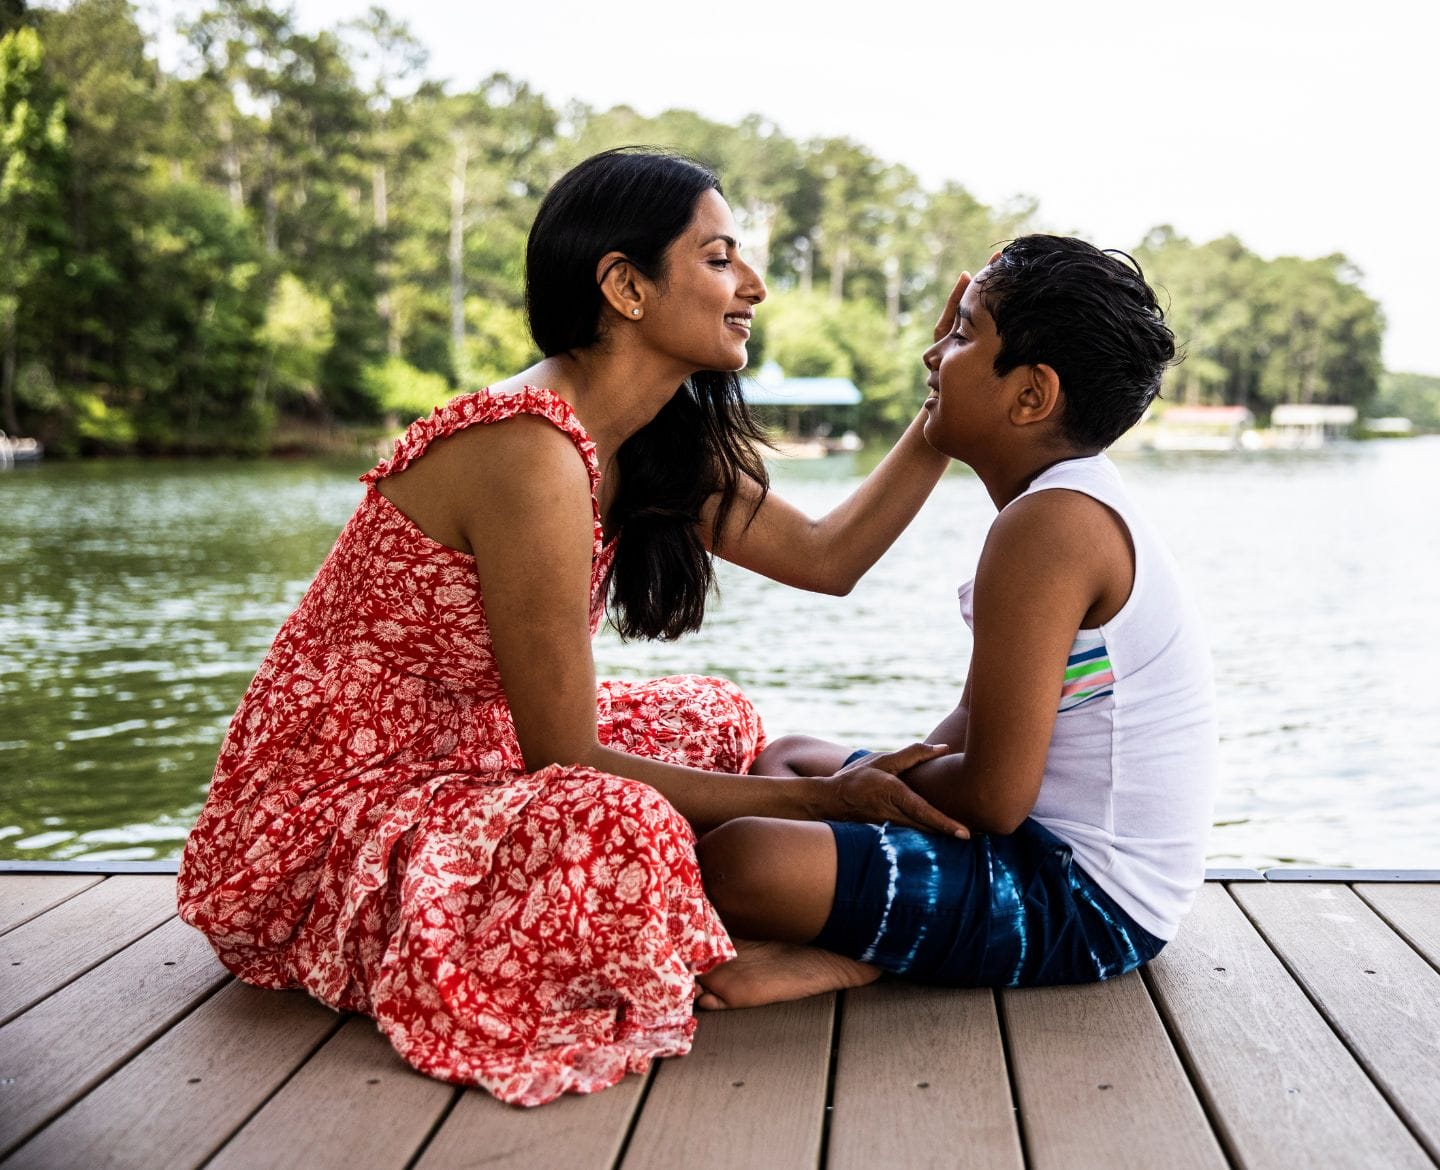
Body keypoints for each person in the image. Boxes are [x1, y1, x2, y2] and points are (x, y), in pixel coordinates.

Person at [176, 147, 963, 1107]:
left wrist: (942, 409)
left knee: (707, 716)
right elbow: (567, 755)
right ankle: (719, 942)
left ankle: (697, 921)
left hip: (470, 754)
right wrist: (829, 802)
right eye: (720, 259)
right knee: (614, 813)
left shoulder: (649, 437)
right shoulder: (528, 446)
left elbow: (829, 558)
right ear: (626, 286)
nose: (752, 286)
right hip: (320, 821)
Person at [694, 235, 1219, 1010]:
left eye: (964, 334)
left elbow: (995, 796)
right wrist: (859, 786)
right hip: (1024, 842)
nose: (933, 356)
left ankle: (862, 952)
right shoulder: (1058, 504)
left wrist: (867, 792)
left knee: (739, 858)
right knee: (789, 758)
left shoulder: (1051, 528)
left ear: (1032, 395)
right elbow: (973, 723)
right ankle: (860, 939)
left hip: (1090, 904)